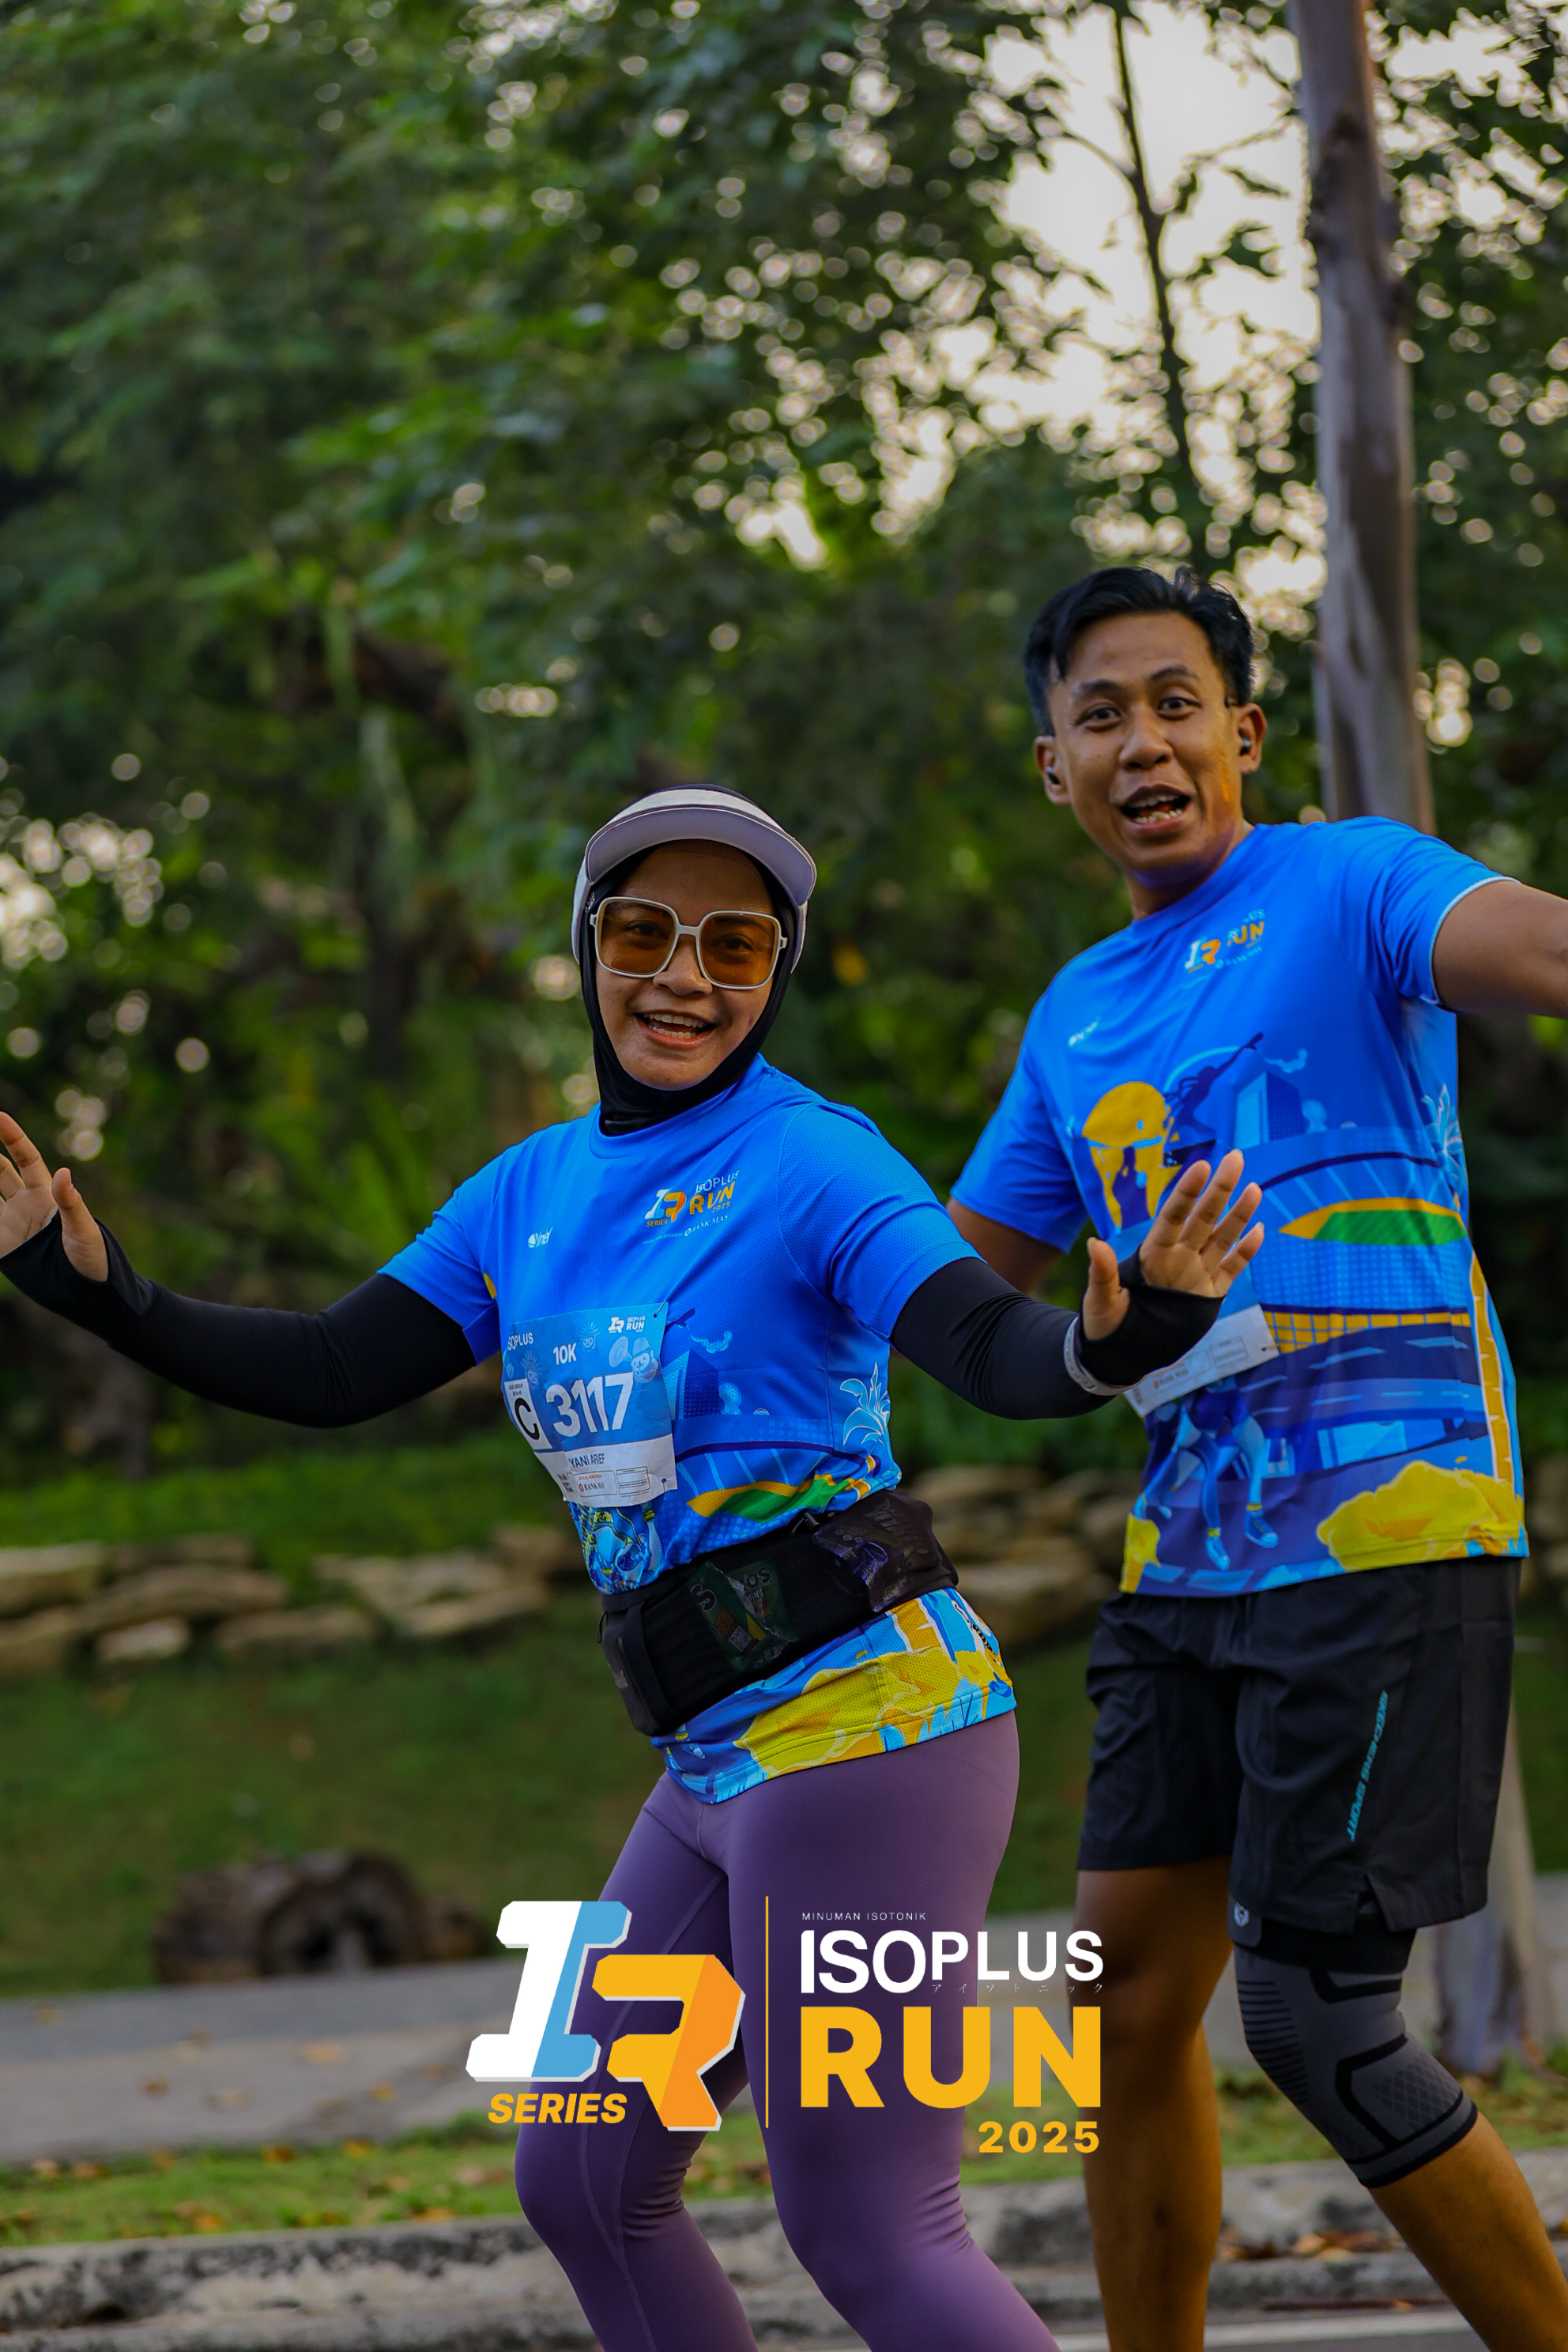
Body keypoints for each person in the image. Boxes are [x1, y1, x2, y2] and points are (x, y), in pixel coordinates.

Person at [0, 782, 1263, 2352]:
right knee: (582, 2173)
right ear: (587, 947)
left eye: (735, 943)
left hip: (869, 1735)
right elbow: (332, 1368)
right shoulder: (523, 1194)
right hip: (709, 1757)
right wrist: (91, 1291)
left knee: (870, 2227)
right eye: (645, 931)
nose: (684, 974)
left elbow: (981, 1340)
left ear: (775, 972)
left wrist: (1110, 1342)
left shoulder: (814, 1161)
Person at [948, 564, 1568, 2352]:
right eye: (1098, 716)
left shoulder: (1353, 882)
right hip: (1188, 1562)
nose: (1140, 742)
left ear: (1241, 731)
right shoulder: (1072, 1015)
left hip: (1386, 1534)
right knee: (1122, 2009)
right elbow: (952, 1301)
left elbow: (1541, 954)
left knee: (1316, 2023)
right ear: (1052, 767)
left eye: (1173, 704)